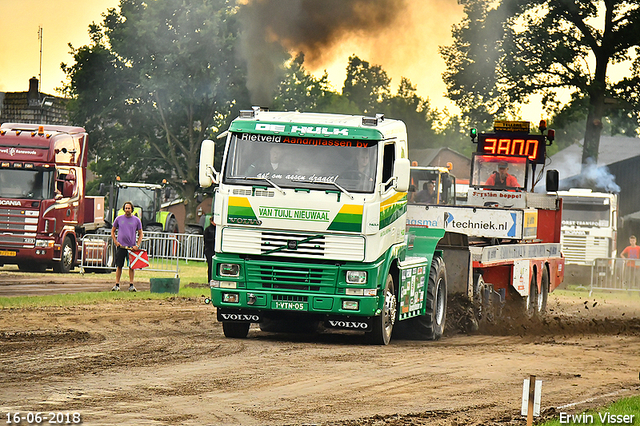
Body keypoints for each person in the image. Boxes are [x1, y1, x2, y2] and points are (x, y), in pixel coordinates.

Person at [110, 201, 143, 292]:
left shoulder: (137, 220)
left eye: (129, 208)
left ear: (132, 209)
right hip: (121, 247)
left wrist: (137, 245)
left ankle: (131, 285)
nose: (127, 210)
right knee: (119, 266)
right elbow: (112, 231)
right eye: (126, 208)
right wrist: (115, 242)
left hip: (131, 248)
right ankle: (117, 285)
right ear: (123, 209)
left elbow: (141, 234)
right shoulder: (119, 219)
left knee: (131, 266)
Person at [203, 215, 216, 284]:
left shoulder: (218, 229)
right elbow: (206, 239)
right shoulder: (208, 229)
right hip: (209, 250)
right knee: (210, 265)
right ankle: (210, 280)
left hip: (215, 250)